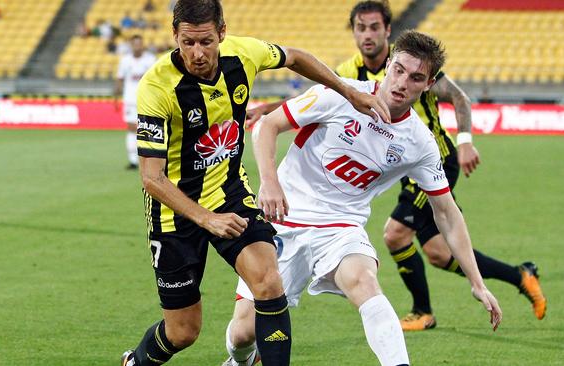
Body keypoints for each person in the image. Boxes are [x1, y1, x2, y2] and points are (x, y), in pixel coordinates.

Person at [119, 1, 389, 365]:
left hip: (229, 192)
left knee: (268, 281)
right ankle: (135, 361)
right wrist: (205, 218)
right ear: (174, 37)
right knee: (183, 331)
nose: (198, 53)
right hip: (175, 214)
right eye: (188, 43)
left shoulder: (243, 53)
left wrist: (347, 91)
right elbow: (152, 177)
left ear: (222, 33)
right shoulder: (156, 86)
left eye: (207, 42)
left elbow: (294, 57)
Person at [222, 30, 502, 366]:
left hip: (341, 227)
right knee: (243, 332)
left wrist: (477, 282)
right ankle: (241, 361)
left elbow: (447, 213)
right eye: (398, 70)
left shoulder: (419, 142)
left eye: (415, 78)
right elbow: (267, 125)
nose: (402, 83)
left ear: (429, 85)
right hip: (284, 219)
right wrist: (269, 182)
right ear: (388, 66)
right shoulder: (340, 95)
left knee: (365, 281)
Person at [334, 0, 546, 330]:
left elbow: (460, 97)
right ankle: (520, 275)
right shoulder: (350, 71)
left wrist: (464, 142)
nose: (368, 35)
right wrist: (271, 110)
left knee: (395, 234)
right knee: (437, 252)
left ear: (387, 31)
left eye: (374, 27)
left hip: (435, 159)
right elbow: (322, 92)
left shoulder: (417, 63)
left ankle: (423, 312)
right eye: (361, 28)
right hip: (402, 166)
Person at [114, 34, 156, 169]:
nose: (137, 46)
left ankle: (150, 159)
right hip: (130, 100)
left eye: (139, 43)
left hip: (147, 99)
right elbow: (120, 78)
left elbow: (156, 79)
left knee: (148, 129)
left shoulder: (150, 59)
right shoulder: (125, 60)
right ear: (131, 45)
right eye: (135, 44)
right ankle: (133, 160)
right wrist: (116, 97)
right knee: (132, 129)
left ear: (142, 44)